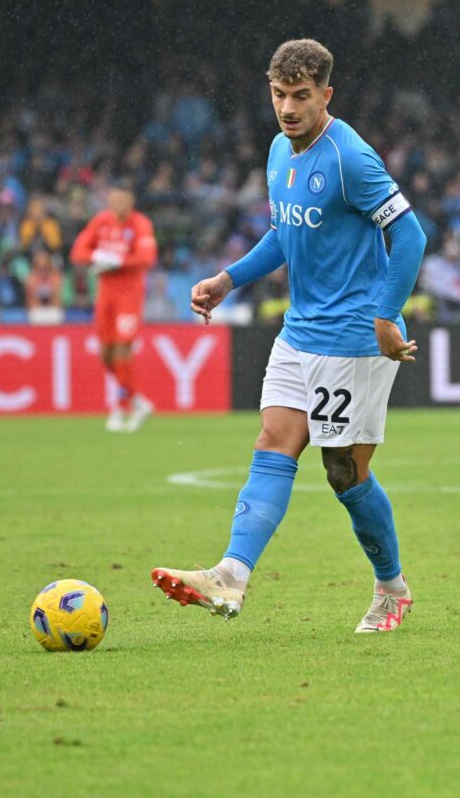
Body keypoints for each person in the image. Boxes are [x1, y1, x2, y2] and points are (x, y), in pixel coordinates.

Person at [151, 39, 427, 634]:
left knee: (344, 474)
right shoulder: (279, 151)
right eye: (279, 95)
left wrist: (386, 316)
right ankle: (231, 575)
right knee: (273, 442)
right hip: (299, 331)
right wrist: (229, 278)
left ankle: (392, 588)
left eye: (301, 96)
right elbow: (284, 234)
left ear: (326, 94)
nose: (288, 108)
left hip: (354, 337)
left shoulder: (351, 158)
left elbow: (411, 238)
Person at [70, 185, 158, 432]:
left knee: (122, 349)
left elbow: (147, 258)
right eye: (113, 201)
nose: (117, 206)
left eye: (122, 201)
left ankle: (120, 408)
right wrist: (99, 256)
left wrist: (118, 260)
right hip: (105, 295)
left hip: (129, 295)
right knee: (106, 354)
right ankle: (138, 401)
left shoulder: (140, 224)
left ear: (131, 202)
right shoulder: (101, 222)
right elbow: (78, 251)